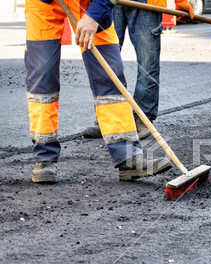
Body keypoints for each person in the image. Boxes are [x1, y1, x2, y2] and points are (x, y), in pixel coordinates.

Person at [26, 0, 171, 183]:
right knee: (42, 76)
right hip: (43, 5)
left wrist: (94, 15)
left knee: (110, 74)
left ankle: (128, 157)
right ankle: (44, 158)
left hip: (91, 2)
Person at [82, 0, 194, 139]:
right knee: (105, 62)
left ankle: (143, 118)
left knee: (147, 63)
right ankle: (108, 119)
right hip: (109, 2)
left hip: (146, 2)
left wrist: (180, 1)